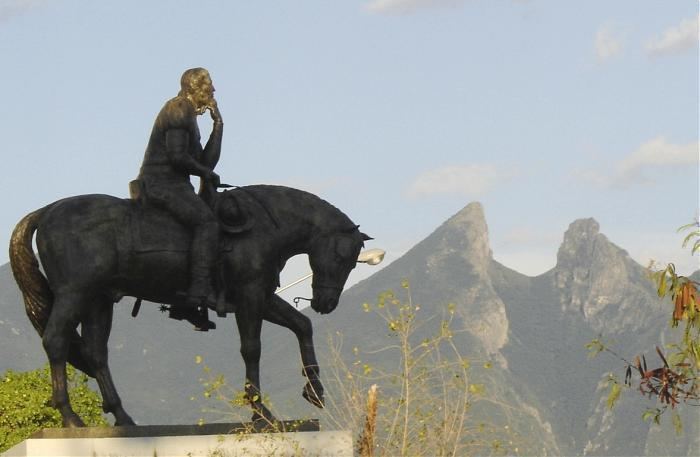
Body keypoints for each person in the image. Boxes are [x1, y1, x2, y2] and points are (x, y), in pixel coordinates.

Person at [136, 67, 223, 329]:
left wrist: (218, 125)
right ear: (195, 88)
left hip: (177, 185)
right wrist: (205, 172)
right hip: (161, 183)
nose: (214, 91)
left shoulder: (191, 118)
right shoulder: (177, 108)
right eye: (209, 86)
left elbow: (206, 162)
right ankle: (196, 294)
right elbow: (177, 157)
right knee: (206, 223)